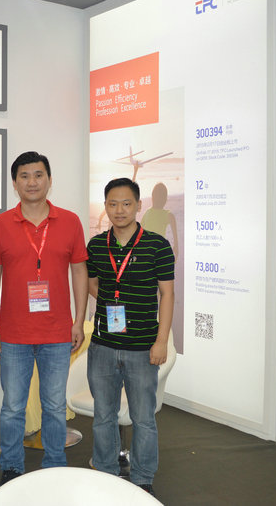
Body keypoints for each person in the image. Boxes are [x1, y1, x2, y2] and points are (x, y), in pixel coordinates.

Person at [0, 151, 88, 487]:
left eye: (38, 175)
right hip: (13, 334)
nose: (32, 182)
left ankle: (55, 464)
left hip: (58, 332)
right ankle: (12, 467)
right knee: (13, 406)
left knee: (54, 406)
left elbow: (79, 272)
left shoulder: (70, 221)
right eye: (24, 176)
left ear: (49, 180)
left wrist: (79, 321)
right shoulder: (0, 225)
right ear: (15, 183)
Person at [86, 178, 175, 497]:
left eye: (126, 203)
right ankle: (106, 472)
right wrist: (113, 302)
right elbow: (91, 283)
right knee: (103, 416)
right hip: (103, 347)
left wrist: (161, 341)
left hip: (142, 348)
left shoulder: (156, 245)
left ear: (138, 206)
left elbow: (167, 295)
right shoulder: (97, 245)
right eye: (112, 204)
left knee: (143, 418)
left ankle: (142, 478)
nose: (119, 210)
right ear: (105, 206)